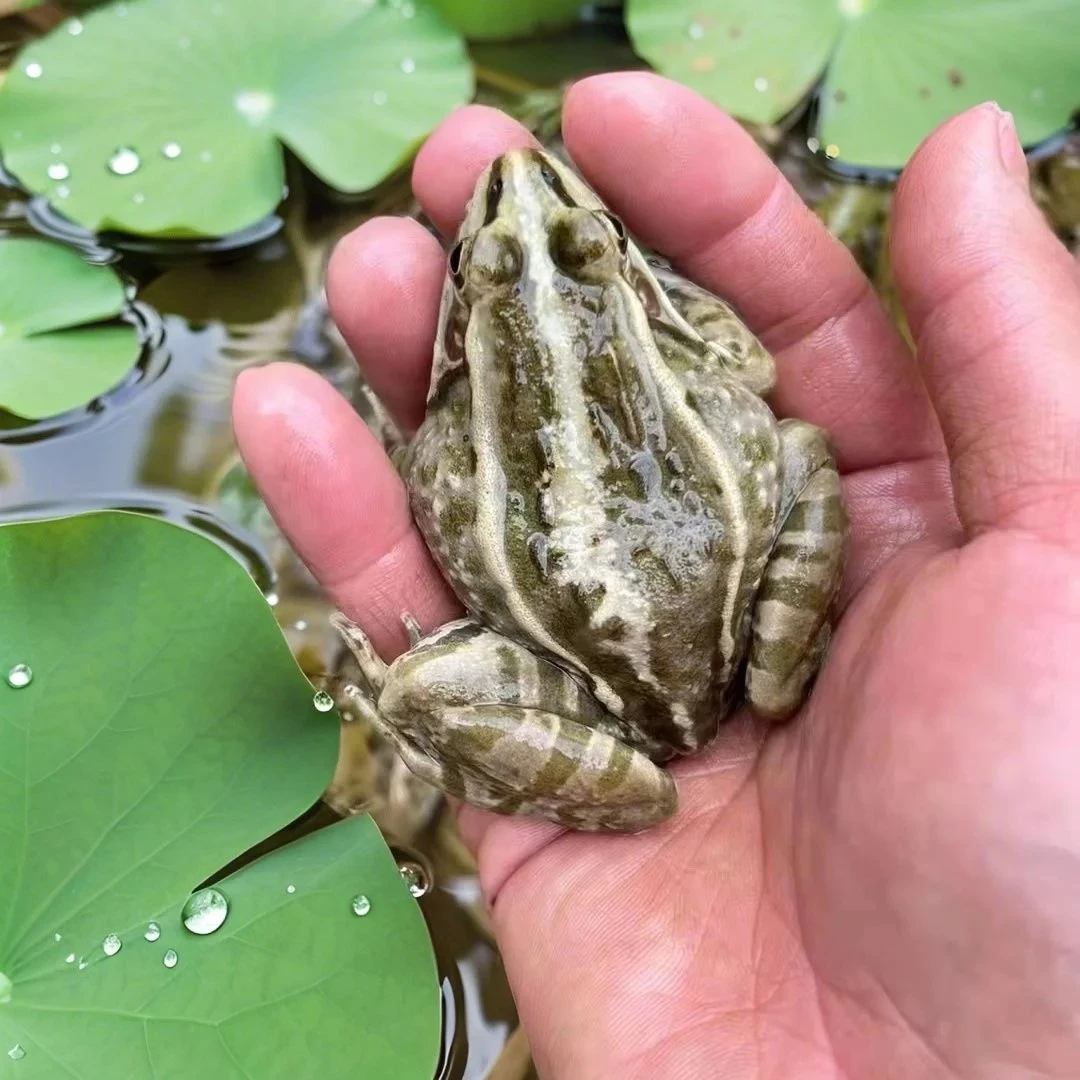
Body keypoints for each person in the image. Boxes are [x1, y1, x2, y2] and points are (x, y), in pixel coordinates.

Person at [233, 73, 1080, 1078]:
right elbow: (755, 372)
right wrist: (665, 302)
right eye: (485, 256)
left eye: (582, 245)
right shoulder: (678, 339)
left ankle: (582, 754)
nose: (522, 180)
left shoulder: (457, 421)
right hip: (752, 664)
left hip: (593, 702)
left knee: (414, 684)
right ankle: (759, 683)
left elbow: (426, 479)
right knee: (804, 446)